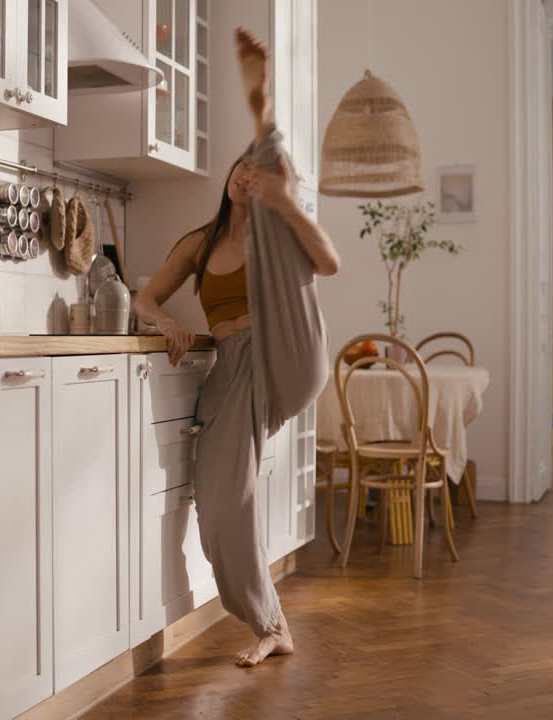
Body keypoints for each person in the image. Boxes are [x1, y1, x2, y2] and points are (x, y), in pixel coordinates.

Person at [133, 28, 340, 668]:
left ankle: (263, 102)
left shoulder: (275, 238)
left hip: (286, 351)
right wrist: (164, 323)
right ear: (228, 179)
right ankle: (270, 622)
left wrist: (277, 188)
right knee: (224, 502)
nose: (244, 176)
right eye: (239, 169)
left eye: (257, 172)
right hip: (232, 370)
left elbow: (328, 264)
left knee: (226, 498)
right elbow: (145, 297)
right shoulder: (200, 242)